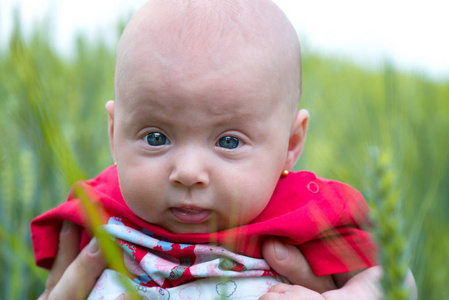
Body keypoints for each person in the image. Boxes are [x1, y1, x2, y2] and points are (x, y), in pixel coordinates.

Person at [31, 0, 410, 298]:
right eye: (156, 137)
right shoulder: (97, 207)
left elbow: (394, 277)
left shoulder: (308, 209)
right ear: (114, 133)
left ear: (291, 144)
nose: (189, 172)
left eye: (229, 141)